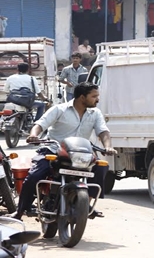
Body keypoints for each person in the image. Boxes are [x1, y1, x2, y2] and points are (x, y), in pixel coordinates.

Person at [7, 82, 117, 221]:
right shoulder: (59, 109)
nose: (97, 99)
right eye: (94, 96)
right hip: (54, 150)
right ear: (82, 97)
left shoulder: (95, 113)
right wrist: (33, 135)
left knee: (102, 166)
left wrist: (108, 146)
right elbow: (40, 124)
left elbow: (103, 131)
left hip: (80, 153)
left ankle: (86, 204)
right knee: (34, 175)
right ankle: (21, 210)